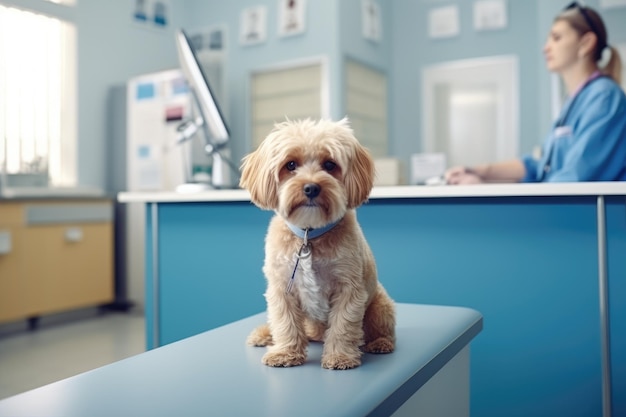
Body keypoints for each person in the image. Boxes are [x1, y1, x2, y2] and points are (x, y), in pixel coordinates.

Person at [445, 2, 626, 184]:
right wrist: (480, 171)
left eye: (556, 38)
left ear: (586, 43)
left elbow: (575, 178)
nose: (545, 48)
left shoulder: (604, 98)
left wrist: (483, 187)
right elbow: (539, 166)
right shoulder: (573, 102)